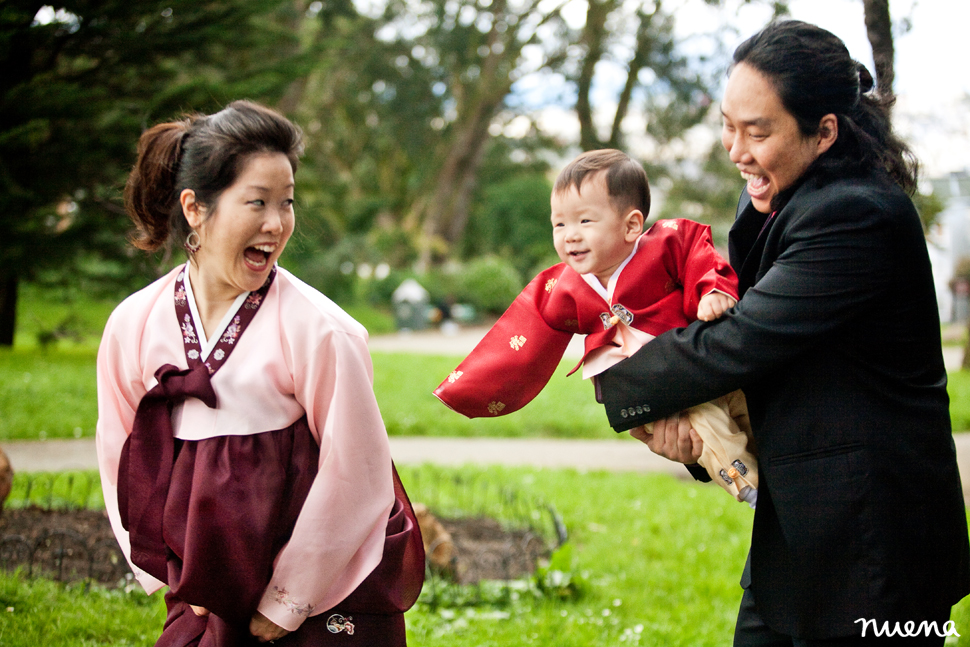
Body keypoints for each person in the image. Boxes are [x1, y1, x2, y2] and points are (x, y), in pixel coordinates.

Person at [595, 20, 970, 645]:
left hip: (879, 546)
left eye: (758, 131)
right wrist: (692, 431)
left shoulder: (858, 214)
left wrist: (617, 379)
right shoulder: (774, 195)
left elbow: (741, 341)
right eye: (728, 124)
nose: (735, 148)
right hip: (797, 531)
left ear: (824, 131)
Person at [96, 100, 424, 646]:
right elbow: (119, 456)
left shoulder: (321, 330)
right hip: (203, 592)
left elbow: (358, 474)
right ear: (195, 208)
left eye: (287, 203)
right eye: (257, 203)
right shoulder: (134, 324)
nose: (277, 224)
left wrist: (288, 601)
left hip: (319, 592)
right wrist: (172, 572)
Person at [434, 149, 759, 505]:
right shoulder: (564, 286)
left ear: (632, 225)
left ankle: (782, 470)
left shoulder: (666, 243)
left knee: (754, 413)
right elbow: (522, 335)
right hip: (662, 388)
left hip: (701, 360)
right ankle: (746, 482)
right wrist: (472, 385)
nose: (570, 235)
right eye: (559, 224)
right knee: (708, 428)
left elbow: (700, 256)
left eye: (585, 222)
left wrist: (712, 290)